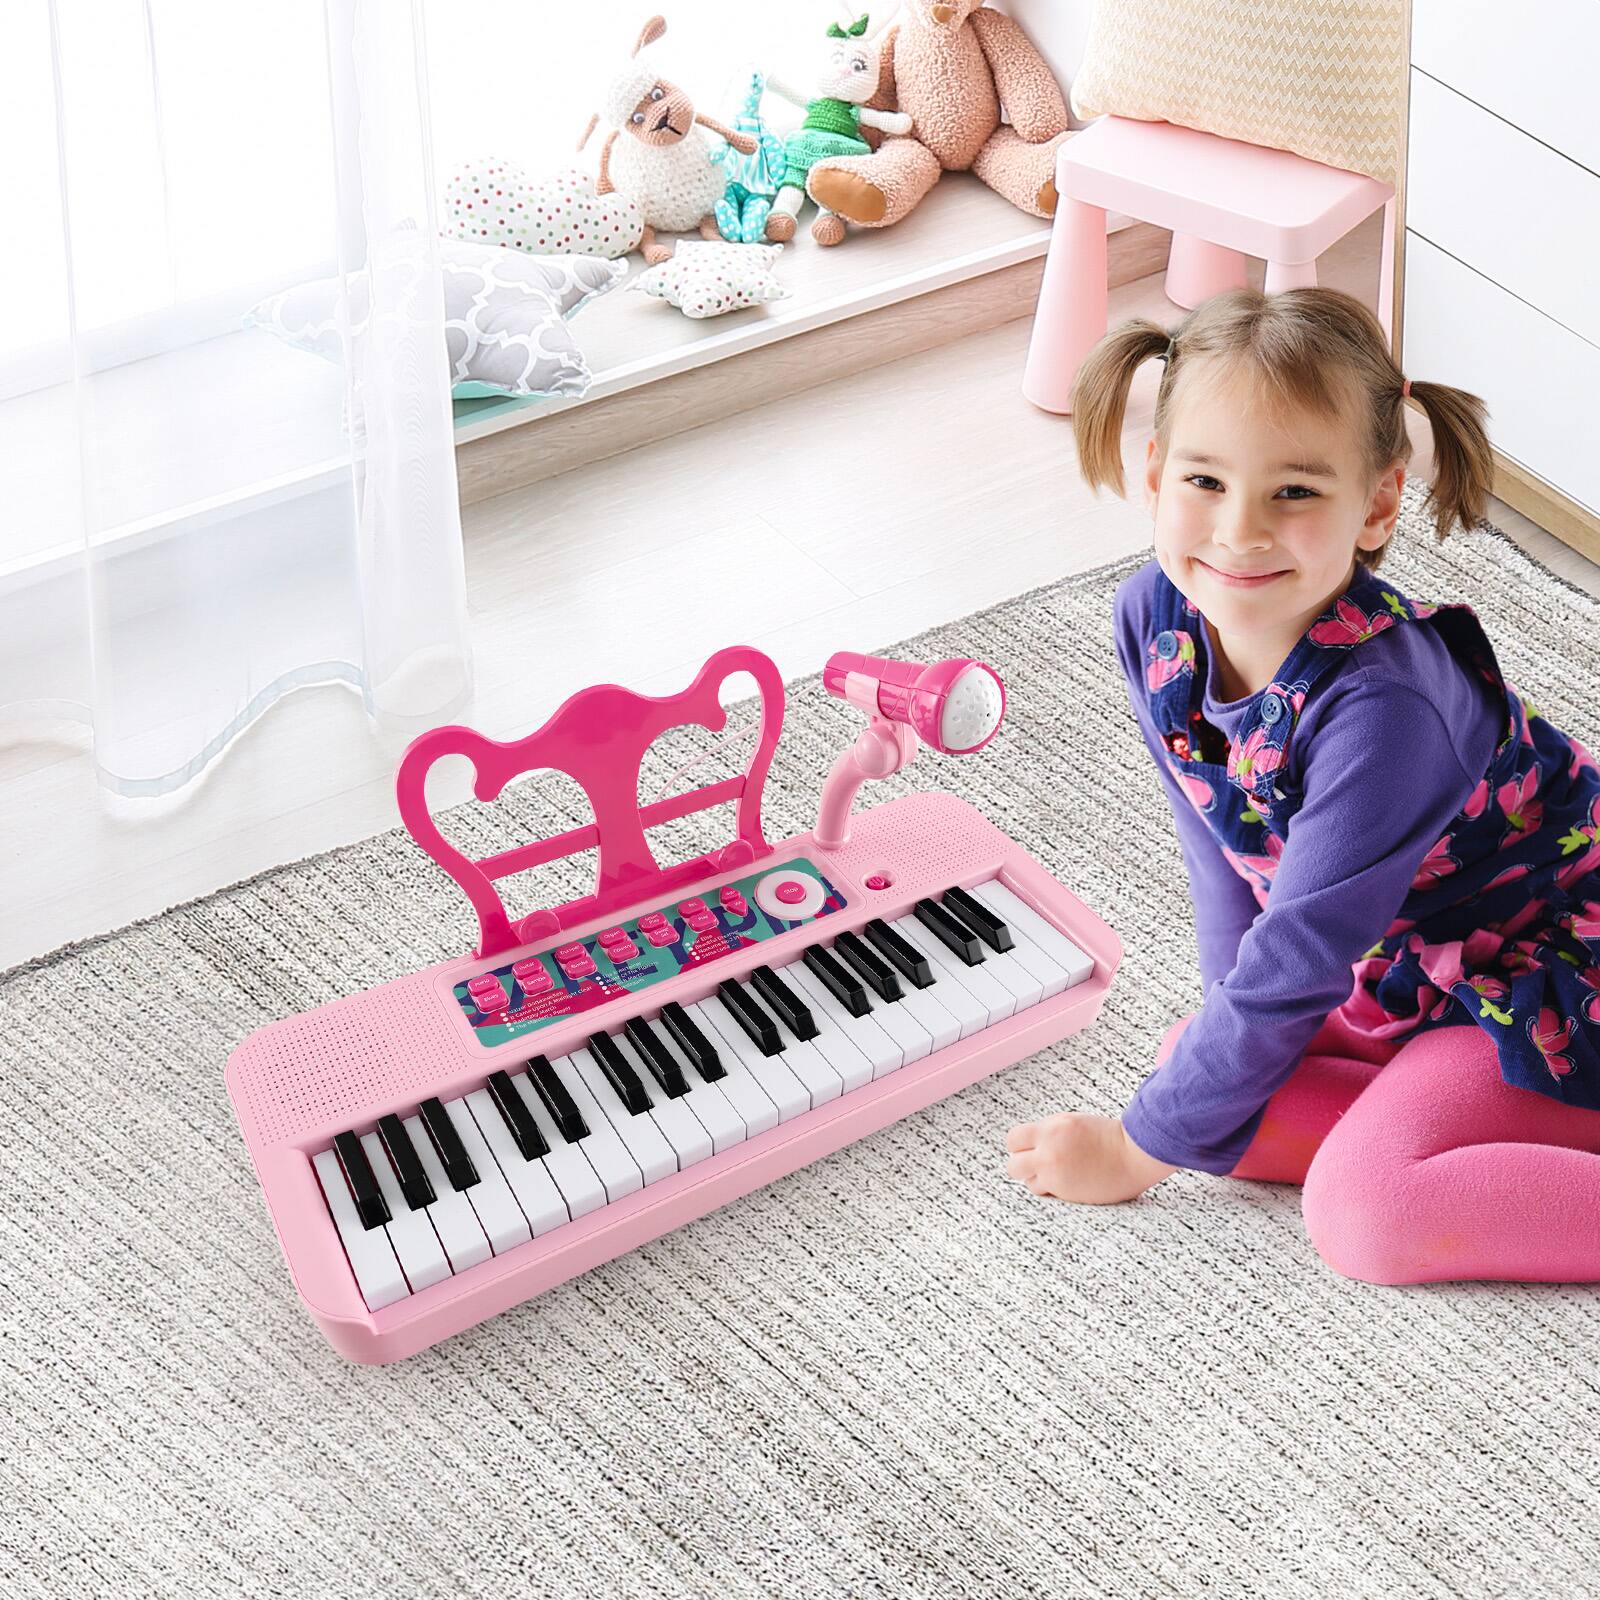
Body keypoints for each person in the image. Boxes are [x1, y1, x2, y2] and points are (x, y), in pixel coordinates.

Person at [1004, 286, 1600, 1284]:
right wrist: (1195, 1087)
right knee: (1199, 1067)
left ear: (1377, 504)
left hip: (1553, 967)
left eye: (1294, 492)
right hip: (1415, 961)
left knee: (1366, 1213)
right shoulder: (1154, 618)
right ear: (1154, 473)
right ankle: (1459, 1117)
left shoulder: (1388, 711)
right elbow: (1220, 855)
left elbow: (1299, 956)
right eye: (1204, 479)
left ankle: (1492, 1120)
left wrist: (1136, 1152)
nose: (1239, 531)